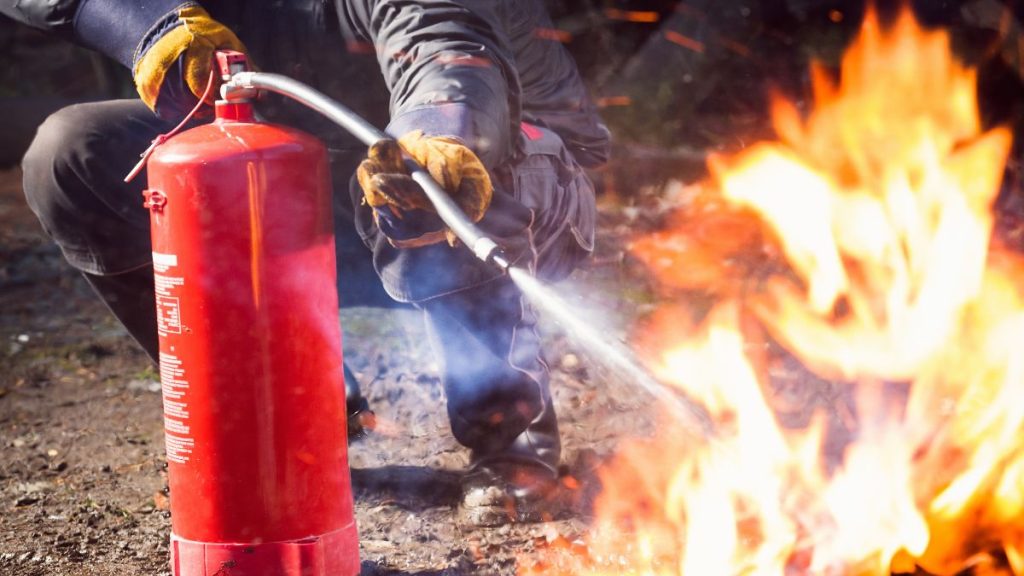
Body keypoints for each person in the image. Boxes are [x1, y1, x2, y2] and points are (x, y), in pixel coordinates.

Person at [2, 0, 610, 526]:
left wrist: (438, 128)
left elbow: (445, 43)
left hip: (512, 171)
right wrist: (145, 24)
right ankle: (291, 416)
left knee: (426, 167)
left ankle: (508, 443)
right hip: (305, 173)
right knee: (71, 152)